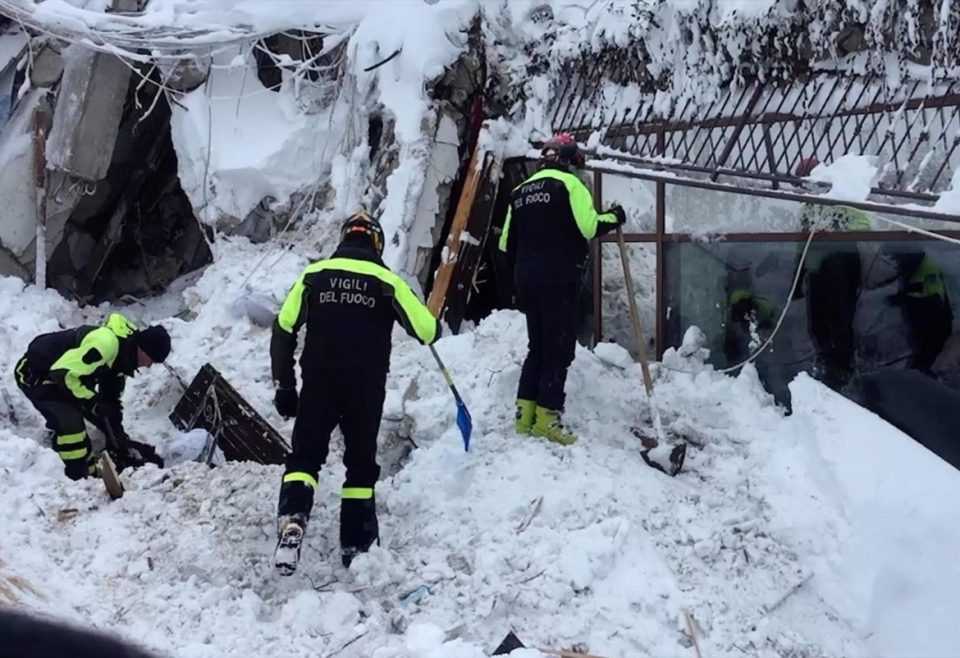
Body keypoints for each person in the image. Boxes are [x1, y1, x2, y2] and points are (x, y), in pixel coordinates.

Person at [270, 211, 441, 573]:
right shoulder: (386, 280)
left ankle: (294, 517)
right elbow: (426, 330)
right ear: (376, 243)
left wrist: (284, 384)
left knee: (304, 458)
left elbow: (284, 327)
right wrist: (432, 326)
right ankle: (357, 545)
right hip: (365, 387)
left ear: (343, 238)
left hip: (319, 380)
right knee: (360, 465)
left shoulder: (313, 276)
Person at [498, 133, 625, 445]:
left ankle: (524, 416)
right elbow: (589, 226)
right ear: (570, 161)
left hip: (526, 281)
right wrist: (616, 216)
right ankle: (548, 419)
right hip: (558, 280)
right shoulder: (569, 185)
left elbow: (505, 245)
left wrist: (518, 280)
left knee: (537, 347)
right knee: (558, 349)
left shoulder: (519, 192)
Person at [13, 312, 169, 480]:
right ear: (143, 349)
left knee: (101, 414)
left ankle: (102, 461)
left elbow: (110, 402)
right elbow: (61, 374)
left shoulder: (124, 358)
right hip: (36, 374)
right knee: (71, 421)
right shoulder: (106, 345)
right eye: (152, 360)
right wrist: (91, 401)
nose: (149, 365)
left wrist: (120, 441)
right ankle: (78, 474)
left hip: (69, 377)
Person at [885, 251, 953, 372]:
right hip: (932, 312)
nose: (897, 263)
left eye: (898, 259)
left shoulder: (924, 269)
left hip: (932, 311)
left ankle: (919, 371)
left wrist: (898, 298)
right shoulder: (919, 263)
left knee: (926, 349)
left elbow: (919, 290)